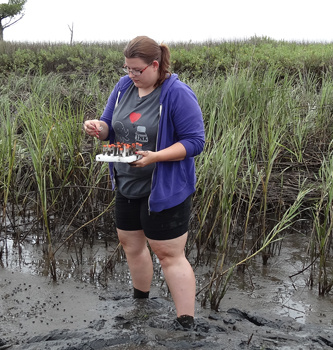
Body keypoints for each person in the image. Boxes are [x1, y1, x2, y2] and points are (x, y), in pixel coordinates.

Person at [83, 36, 205, 330]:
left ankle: (186, 324)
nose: (131, 74)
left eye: (137, 69)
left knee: (168, 255)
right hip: (126, 182)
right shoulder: (123, 87)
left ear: (155, 65)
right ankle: (141, 304)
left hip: (164, 188)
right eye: (127, 68)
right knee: (131, 245)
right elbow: (109, 125)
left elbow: (195, 142)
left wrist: (155, 157)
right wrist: (97, 127)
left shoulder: (176, 93)